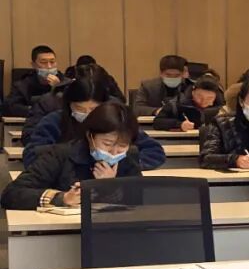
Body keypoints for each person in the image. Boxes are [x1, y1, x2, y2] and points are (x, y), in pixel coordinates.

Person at [2, 103, 142, 210]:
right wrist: (61, 198)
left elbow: (141, 200)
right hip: (59, 231)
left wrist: (111, 186)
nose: (114, 152)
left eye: (122, 145)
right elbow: (11, 194)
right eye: (107, 144)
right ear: (90, 136)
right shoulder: (60, 155)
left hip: (111, 231)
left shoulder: (128, 157)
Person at [23, 77, 166, 170]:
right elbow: (32, 155)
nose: (87, 114)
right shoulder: (54, 121)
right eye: (79, 109)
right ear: (69, 105)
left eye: (93, 109)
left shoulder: (116, 122)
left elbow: (154, 152)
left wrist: (120, 163)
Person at [4, 45, 62, 117]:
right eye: (43, 62)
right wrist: (36, 110)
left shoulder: (66, 82)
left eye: (52, 62)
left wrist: (58, 88)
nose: (49, 66)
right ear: (33, 65)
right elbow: (10, 107)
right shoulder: (22, 85)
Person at [152, 76, 225, 131]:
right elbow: (158, 122)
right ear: (193, 92)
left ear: (216, 96)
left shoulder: (223, 107)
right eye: (199, 96)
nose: (203, 101)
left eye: (209, 98)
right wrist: (179, 124)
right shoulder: (177, 103)